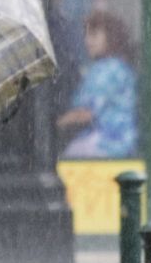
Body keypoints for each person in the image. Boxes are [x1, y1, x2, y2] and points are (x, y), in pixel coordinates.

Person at [57, 9, 139, 159]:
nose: (88, 41)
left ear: (111, 37)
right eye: (86, 35)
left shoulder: (106, 71)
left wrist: (54, 126)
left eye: (94, 35)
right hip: (121, 143)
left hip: (105, 144)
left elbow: (85, 113)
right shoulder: (119, 67)